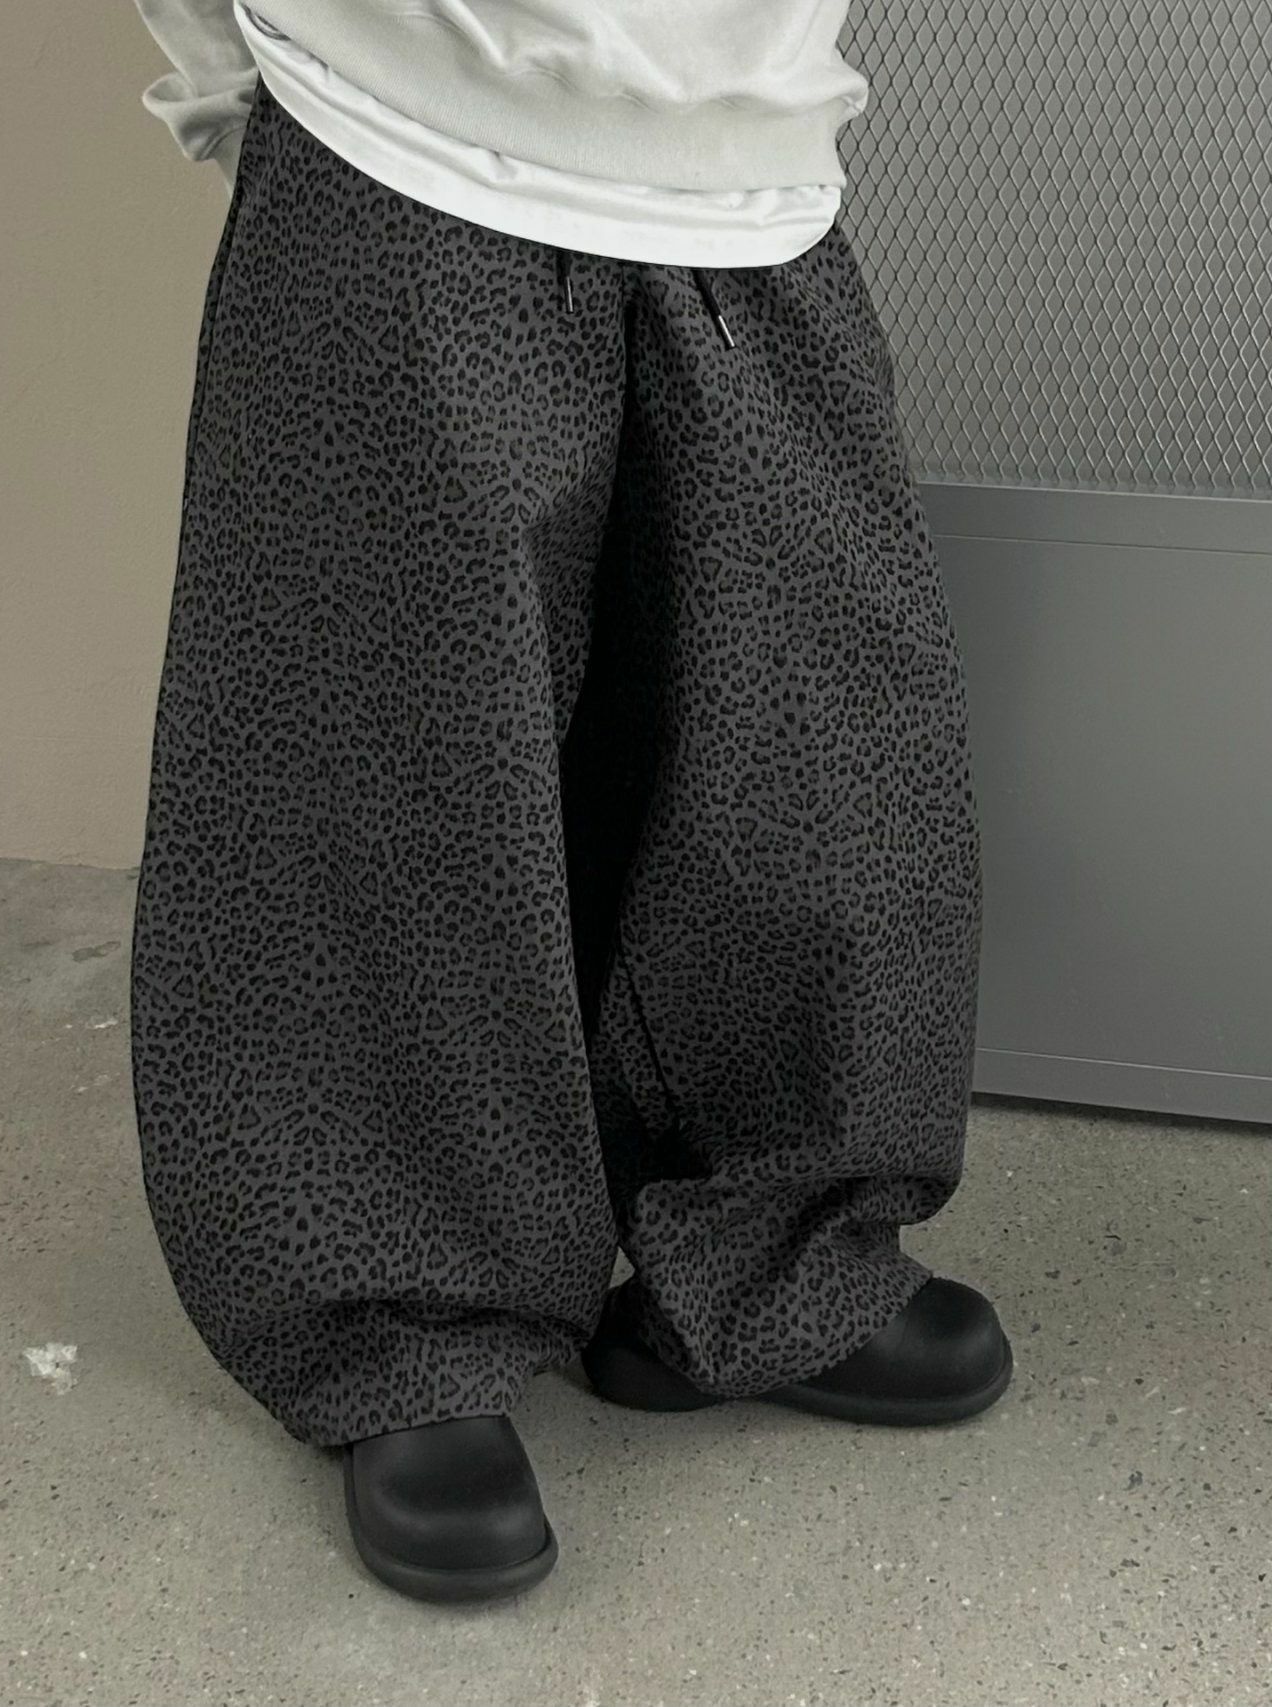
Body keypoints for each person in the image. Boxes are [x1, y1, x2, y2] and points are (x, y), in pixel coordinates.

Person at [129, 0, 1013, 1606]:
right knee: (389, 788)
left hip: (750, 163)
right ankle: (403, 1325)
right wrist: (233, 90)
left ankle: (770, 1256)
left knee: (813, 765)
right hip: (396, 127)